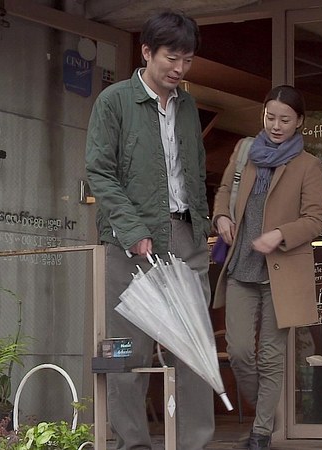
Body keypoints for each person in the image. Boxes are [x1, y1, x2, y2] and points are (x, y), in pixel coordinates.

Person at [85, 9, 214, 450]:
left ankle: (195, 444)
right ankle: (133, 444)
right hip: (130, 242)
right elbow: (99, 171)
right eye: (171, 58)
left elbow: (194, 171)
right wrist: (131, 227)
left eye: (187, 60)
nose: (180, 68)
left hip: (186, 236)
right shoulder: (114, 101)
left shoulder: (188, 106)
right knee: (128, 350)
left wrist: (202, 229)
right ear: (146, 52)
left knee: (194, 348)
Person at [213, 85, 322, 450]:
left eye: (285, 120)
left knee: (271, 356)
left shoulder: (307, 165)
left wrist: (280, 234)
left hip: (282, 272)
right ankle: (269, 413)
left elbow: (315, 219)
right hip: (241, 267)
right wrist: (221, 217)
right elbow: (223, 192)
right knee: (240, 352)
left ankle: (261, 433)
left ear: (299, 122)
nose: (276, 126)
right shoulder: (245, 151)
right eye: (270, 117)